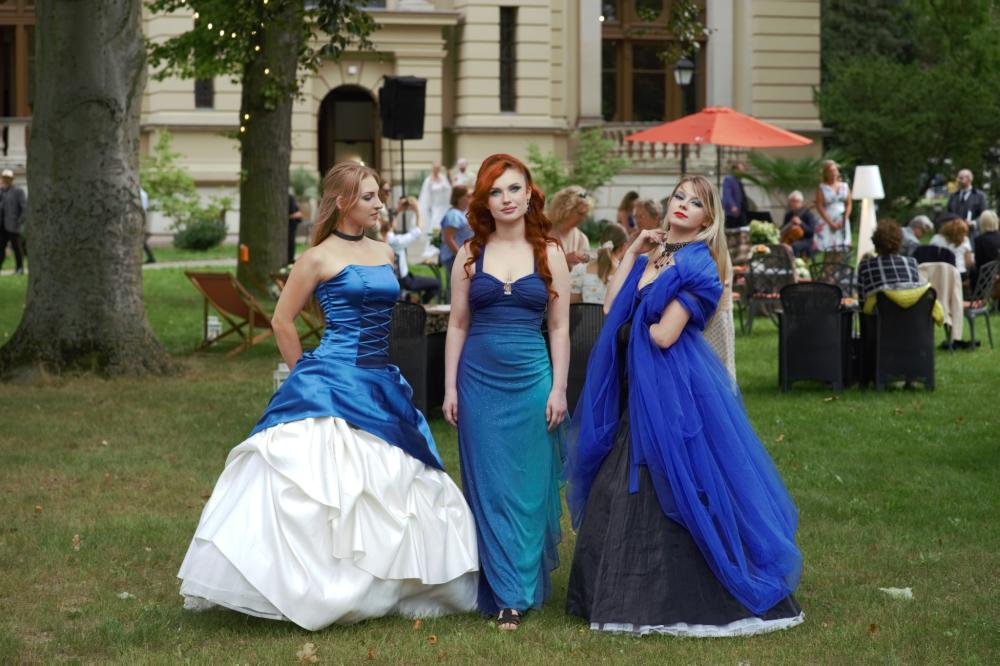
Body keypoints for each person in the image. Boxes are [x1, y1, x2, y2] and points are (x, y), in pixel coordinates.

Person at [177, 162, 478, 630]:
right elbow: (282, 320)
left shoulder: (384, 251)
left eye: (379, 196)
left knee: (402, 478)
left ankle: (397, 582)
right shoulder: (317, 258)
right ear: (342, 203)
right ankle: (311, 586)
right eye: (369, 198)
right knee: (319, 483)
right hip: (330, 375)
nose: (379, 205)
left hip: (379, 378)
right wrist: (306, 375)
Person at [566, 174, 803, 637]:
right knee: (624, 480)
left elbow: (663, 335)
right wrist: (633, 250)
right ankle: (622, 590)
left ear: (707, 218)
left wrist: (645, 316)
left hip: (671, 387)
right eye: (679, 196)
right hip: (639, 386)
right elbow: (611, 305)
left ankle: (685, 592)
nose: (682, 205)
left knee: (675, 477)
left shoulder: (698, 265)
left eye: (694, 203)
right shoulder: (653, 256)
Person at [444, 153, 570, 631]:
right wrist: (449, 387)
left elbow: (559, 328)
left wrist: (559, 388)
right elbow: (457, 323)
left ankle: (520, 580)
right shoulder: (470, 253)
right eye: (495, 192)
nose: (506, 199)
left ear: (529, 193)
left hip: (533, 380)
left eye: (514, 188)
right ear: (485, 201)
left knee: (530, 487)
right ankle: (507, 596)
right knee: (491, 487)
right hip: (478, 382)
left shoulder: (550, 253)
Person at [382, 197, 441, 304]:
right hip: (403, 281)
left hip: (394, 279)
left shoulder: (383, 238)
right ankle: (418, 304)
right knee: (436, 284)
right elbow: (418, 230)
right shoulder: (396, 242)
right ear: (392, 223)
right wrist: (417, 209)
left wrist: (398, 210)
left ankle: (412, 300)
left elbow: (388, 222)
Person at [856, 220, 925, 302]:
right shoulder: (912, 263)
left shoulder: (865, 266)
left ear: (875, 242)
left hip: (880, 309)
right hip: (910, 309)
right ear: (900, 241)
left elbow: (862, 300)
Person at [570, 222, 628, 304]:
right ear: (623, 247)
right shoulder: (625, 274)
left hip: (587, 313)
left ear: (601, 242)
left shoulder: (580, 270)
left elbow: (572, 305)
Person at [439, 185, 474, 302]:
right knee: (456, 286)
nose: (471, 198)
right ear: (459, 198)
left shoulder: (461, 212)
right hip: (453, 257)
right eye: (468, 196)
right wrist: (461, 256)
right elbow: (449, 238)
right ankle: (451, 308)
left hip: (461, 256)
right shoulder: (453, 215)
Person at [548, 185, 595, 269]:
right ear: (565, 210)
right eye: (580, 213)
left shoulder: (581, 239)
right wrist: (565, 260)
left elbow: (586, 270)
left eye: (586, 214)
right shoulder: (542, 232)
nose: (583, 218)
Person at [815, 160, 852, 261]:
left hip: (841, 219)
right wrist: (831, 223)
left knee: (840, 250)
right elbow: (819, 206)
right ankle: (828, 270)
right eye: (830, 171)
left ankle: (837, 270)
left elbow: (849, 204)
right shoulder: (822, 187)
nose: (833, 173)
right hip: (828, 219)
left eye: (835, 170)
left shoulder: (844, 186)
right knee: (829, 251)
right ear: (826, 173)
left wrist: (844, 219)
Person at [0, 168, 27, 275]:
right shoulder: (2, 191)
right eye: (4, 178)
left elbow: (24, 208)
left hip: (13, 225)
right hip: (2, 226)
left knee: (17, 248)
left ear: (12, 179)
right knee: (1, 248)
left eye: (8, 178)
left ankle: (19, 268)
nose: (6, 180)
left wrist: (19, 222)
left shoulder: (18, 191)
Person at [418, 160, 452, 232]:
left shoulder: (443, 178)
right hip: (436, 207)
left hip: (445, 206)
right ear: (432, 168)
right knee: (436, 223)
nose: (437, 169)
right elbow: (425, 195)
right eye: (436, 168)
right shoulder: (428, 180)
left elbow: (449, 190)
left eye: (438, 168)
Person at [782, 190, 817, 257]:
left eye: (795, 201)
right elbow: (784, 227)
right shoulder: (788, 215)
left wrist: (801, 223)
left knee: (793, 246)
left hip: (806, 240)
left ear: (801, 202)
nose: (793, 203)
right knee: (781, 246)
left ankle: (794, 263)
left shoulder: (808, 214)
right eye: (791, 201)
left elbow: (811, 231)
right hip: (791, 239)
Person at [971, 210, 1000, 289]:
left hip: (985, 281)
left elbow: (979, 264)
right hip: (997, 276)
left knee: (972, 271)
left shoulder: (980, 240)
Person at [722, 161, 749, 229]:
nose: (743, 173)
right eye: (741, 170)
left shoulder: (739, 181)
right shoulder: (728, 179)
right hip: (732, 212)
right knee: (732, 230)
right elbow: (727, 194)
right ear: (735, 170)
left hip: (741, 211)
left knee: (744, 229)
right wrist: (732, 206)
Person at [140, 186, 156, 264]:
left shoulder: (140, 193)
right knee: (140, 238)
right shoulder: (143, 193)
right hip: (141, 216)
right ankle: (151, 257)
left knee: (140, 238)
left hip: (139, 216)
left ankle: (151, 257)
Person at [287, 193, 304, 265]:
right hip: (287, 227)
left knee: (291, 244)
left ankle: (290, 260)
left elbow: (299, 214)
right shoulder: (288, 198)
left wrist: (295, 215)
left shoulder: (291, 198)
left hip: (292, 227)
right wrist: (292, 216)